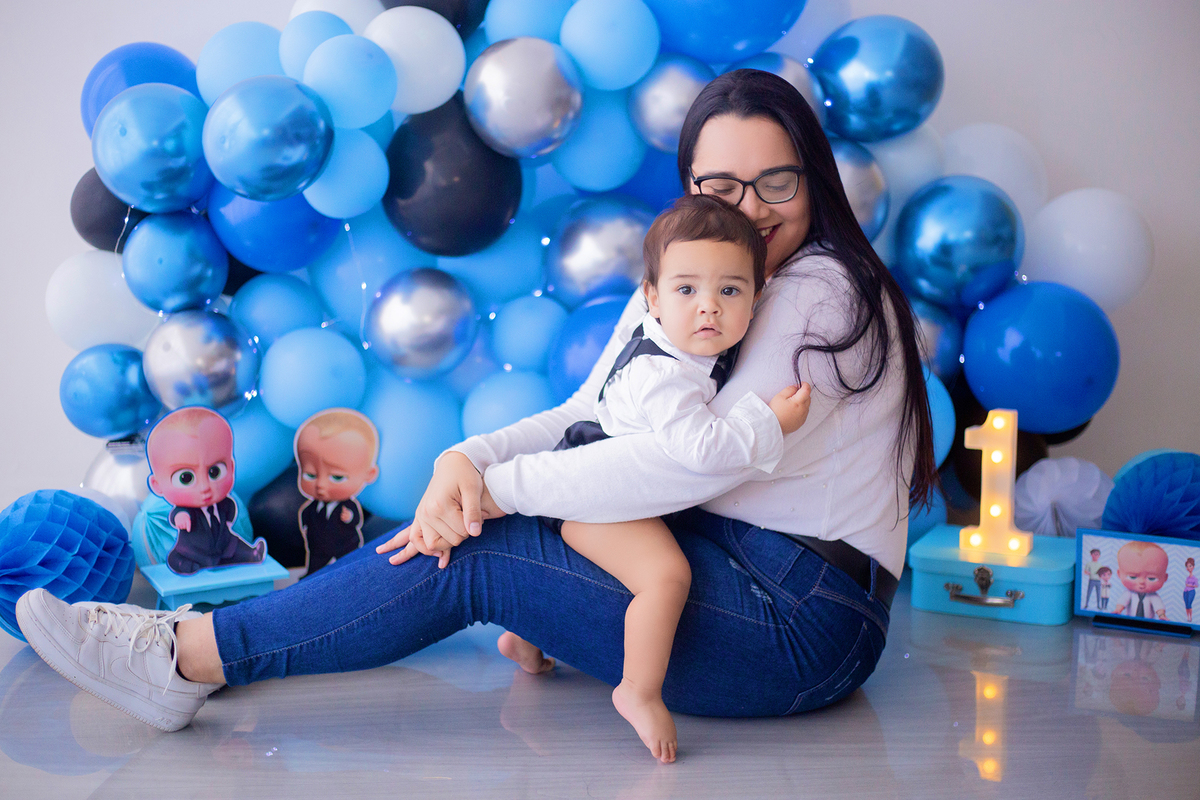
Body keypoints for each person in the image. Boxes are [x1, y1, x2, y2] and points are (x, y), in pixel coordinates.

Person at [15, 70, 936, 756]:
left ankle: (184, 657)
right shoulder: (699, 266)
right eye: (718, 186)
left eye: (777, 181)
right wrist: (468, 456)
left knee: (475, 552)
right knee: (482, 527)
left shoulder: (819, 289)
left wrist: (498, 490)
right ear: (690, 189)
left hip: (802, 619)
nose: (752, 209)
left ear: (814, 180)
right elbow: (594, 407)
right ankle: (195, 646)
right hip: (730, 565)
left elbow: (692, 461)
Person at [502, 194, 812, 762]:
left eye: (730, 291)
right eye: (687, 290)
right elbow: (702, 450)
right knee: (666, 577)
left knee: (613, 577)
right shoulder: (660, 374)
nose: (709, 309)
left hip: (620, 488)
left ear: (756, 296)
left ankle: (525, 635)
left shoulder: (689, 346)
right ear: (652, 297)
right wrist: (770, 420)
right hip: (593, 490)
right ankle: (639, 691)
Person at [146, 406, 266, 575]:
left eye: (214, 472)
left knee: (236, 545)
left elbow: (229, 514)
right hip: (194, 550)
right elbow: (177, 515)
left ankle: (252, 554)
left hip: (224, 543)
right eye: (186, 478)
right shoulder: (184, 511)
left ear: (231, 468)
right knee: (180, 557)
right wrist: (181, 517)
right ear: (157, 485)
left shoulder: (224, 503)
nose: (205, 487)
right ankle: (181, 562)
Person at [294, 408, 380, 576]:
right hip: (318, 545)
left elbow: (355, 519)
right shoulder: (313, 506)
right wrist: (305, 519)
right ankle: (310, 575)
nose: (321, 485)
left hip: (344, 546)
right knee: (315, 567)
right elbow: (307, 514)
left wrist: (350, 518)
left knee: (347, 568)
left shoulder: (348, 507)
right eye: (310, 474)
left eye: (337, 477)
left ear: (369, 475)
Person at [1112, 540, 1169, 620]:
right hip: (1129, 622)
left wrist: (1161, 616)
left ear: (1165, 578)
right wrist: (1118, 610)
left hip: (1148, 625)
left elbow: (1158, 607)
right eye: (1132, 577)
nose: (1141, 582)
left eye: (1151, 578)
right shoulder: (1128, 593)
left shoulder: (1153, 596)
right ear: (1119, 574)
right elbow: (1122, 602)